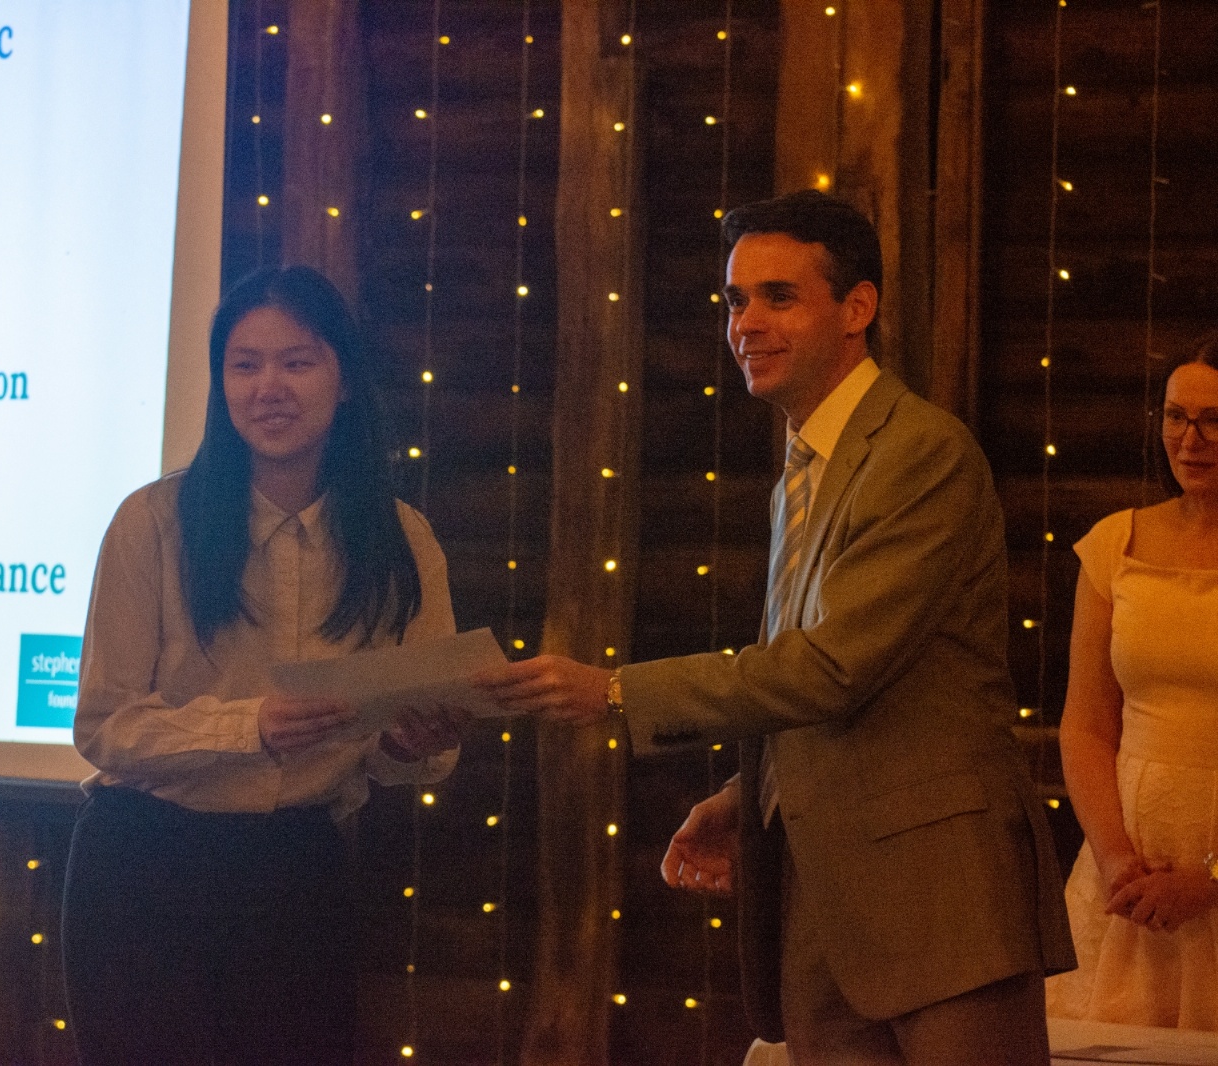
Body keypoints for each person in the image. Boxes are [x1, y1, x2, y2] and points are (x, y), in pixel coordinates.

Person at [475, 190, 1075, 1064]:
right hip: (817, 901)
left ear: (857, 309)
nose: (746, 323)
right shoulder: (800, 472)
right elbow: (837, 688)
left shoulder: (921, 451)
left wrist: (614, 691)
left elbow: (832, 669)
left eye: (779, 297)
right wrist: (750, 793)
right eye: (735, 299)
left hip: (940, 900)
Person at [61, 265, 464, 1066]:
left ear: (343, 382)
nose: (269, 388)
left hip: (299, 870)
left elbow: (414, 738)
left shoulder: (401, 539)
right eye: (244, 365)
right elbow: (103, 727)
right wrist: (250, 727)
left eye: (297, 362)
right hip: (145, 865)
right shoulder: (153, 521)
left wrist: (410, 743)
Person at [1047, 338, 1218, 1029]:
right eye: (1176, 417)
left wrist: (1210, 882)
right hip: (1129, 864)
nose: (1191, 440)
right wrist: (1116, 858)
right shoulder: (1115, 544)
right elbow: (1086, 725)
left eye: (1213, 420)